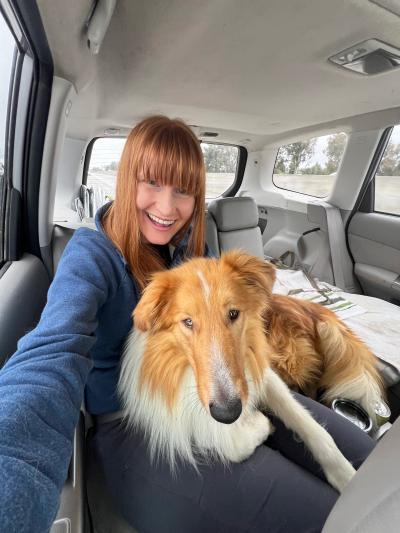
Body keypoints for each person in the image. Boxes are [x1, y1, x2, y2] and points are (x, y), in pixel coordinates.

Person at [0, 115, 375, 533]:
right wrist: (13, 463)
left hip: (227, 396)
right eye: (152, 183)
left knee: (372, 465)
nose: (166, 207)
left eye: (183, 190)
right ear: (127, 182)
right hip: (135, 431)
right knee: (337, 517)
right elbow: (54, 349)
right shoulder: (91, 256)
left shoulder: (195, 246)